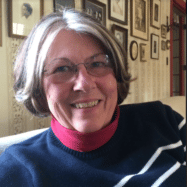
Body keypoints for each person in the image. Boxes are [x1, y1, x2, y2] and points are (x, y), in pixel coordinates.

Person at [0, 8, 186, 186]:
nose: (85, 83)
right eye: (62, 69)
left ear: (116, 75)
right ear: (38, 89)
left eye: (97, 64)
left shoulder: (163, 121)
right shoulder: (17, 169)